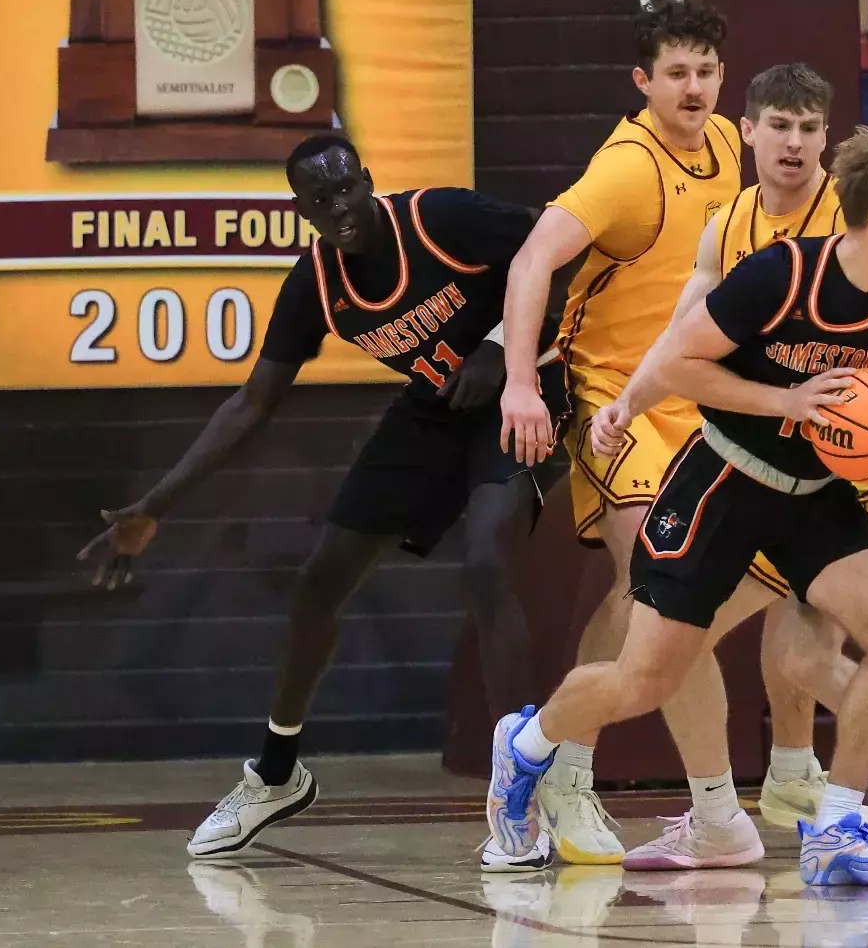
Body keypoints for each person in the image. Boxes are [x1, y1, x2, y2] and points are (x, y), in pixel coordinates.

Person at [487, 128, 868, 887]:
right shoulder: (781, 276)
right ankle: (526, 745)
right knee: (645, 679)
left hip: (817, 496)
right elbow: (680, 360)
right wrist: (788, 402)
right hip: (724, 481)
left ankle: (835, 830)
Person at [78, 132, 570, 857]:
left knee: (487, 555)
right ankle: (277, 774)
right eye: (320, 199)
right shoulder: (314, 285)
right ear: (301, 211)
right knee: (318, 584)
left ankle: (522, 789)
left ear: (367, 181)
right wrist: (156, 504)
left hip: (526, 384)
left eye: (346, 189)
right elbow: (252, 403)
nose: (339, 206)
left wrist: (500, 348)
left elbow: (558, 251)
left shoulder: (439, 218)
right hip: (436, 405)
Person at [593, 66, 868, 876]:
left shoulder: (854, 221)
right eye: (780, 124)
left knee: (802, 654)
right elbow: (685, 337)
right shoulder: (733, 226)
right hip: (774, 464)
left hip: (865, 474)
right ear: (748, 131)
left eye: (810, 128)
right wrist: (629, 403)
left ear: (828, 142)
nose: (794, 142)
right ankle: (755, 800)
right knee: (707, 641)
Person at [493, 0, 743, 866]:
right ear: (643, 81)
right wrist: (518, 383)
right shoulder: (627, 169)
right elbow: (532, 258)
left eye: (705, 71)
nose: (693, 88)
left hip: (697, 402)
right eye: (676, 73)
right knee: (668, 592)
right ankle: (711, 809)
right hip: (613, 403)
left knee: (650, 598)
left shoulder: (729, 144)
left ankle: (556, 756)